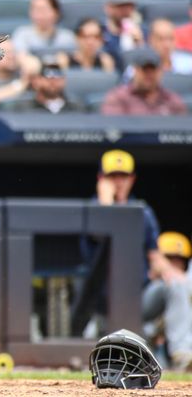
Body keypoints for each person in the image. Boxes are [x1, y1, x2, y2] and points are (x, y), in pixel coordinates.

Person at [92, 150, 191, 368]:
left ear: (132, 179)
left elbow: (155, 255)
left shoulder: (143, 212)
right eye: (112, 176)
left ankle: (183, 355)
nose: (119, 182)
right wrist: (106, 202)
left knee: (178, 284)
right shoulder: (93, 209)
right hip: (102, 303)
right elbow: (101, 235)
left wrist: (178, 277)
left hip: (138, 297)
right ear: (101, 179)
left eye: (123, 176)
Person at [143, 231, 192, 371]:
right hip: (144, 329)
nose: (175, 264)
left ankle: (183, 357)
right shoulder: (152, 285)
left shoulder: (185, 286)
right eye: (170, 259)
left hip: (166, 342)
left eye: (179, 259)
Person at [100, 48, 187, 116]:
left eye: (153, 70)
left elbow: (183, 132)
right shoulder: (119, 97)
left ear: (160, 72)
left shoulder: (171, 100)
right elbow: (113, 131)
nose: (149, 74)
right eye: (145, 70)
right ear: (135, 71)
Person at [11, 56, 86, 114]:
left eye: (57, 73)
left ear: (64, 80)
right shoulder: (24, 108)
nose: (52, 79)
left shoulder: (76, 108)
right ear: (35, 81)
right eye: (46, 74)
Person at [10, 0, 76, 55]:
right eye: (36, 9)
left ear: (56, 12)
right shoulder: (22, 34)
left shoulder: (67, 37)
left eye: (44, 9)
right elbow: (21, 56)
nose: (40, 14)